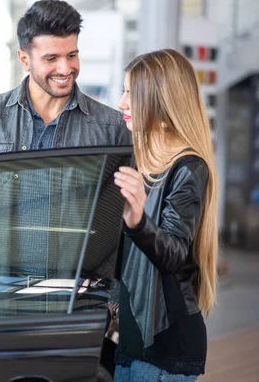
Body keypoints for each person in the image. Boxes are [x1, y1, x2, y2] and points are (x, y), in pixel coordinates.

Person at [0, 0, 131, 317]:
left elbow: (127, 222)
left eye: (72, 55)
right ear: (24, 58)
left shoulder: (111, 129)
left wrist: (114, 300)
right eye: (51, 58)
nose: (65, 69)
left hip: (78, 310)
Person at [113, 48, 218, 381]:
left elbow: (172, 254)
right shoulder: (135, 162)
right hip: (130, 343)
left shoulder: (188, 168)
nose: (121, 102)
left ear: (160, 101)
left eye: (131, 93)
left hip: (164, 349)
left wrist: (137, 221)